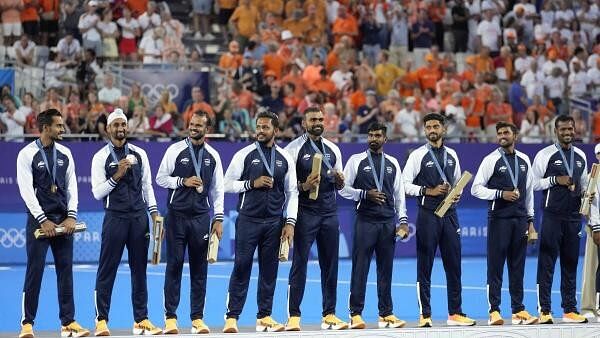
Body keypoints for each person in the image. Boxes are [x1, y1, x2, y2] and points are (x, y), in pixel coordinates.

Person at [222, 109, 297, 333]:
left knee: (269, 271)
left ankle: (264, 317)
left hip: (274, 222)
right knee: (242, 266)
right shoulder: (244, 154)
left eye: (265, 127)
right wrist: (250, 184)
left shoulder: (285, 158)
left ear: (276, 130)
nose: (260, 131)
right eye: (258, 127)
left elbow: (292, 192)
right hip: (248, 220)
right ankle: (231, 317)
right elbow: (226, 184)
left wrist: (290, 222)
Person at [16, 109, 90, 338]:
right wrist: (42, 219)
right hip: (40, 222)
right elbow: (26, 191)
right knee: (35, 270)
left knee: (65, 271)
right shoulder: (26, 154)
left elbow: (73, 187)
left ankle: (68, 324)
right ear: (45, 127)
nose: (63, 129)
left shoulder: (66, 153)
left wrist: (72, 215)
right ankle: (27, 324)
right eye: (58, 126)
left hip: (63, 221)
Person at [91, 108, 162, 336]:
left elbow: (147, 186)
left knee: (139, 270)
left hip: (139, 218)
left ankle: (141, 320)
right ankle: (101, 320)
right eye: (116, 125)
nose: (120, 128)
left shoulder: (140, 154)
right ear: (109, 129)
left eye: (123, 124)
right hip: (115, 218)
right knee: (107, 269)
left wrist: (153, 213)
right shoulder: (101, 157)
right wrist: (116, 176)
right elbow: (97, 193)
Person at [402, 113, 476, 327]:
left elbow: (456, 182)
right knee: (424, 266)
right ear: (424, 130)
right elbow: (404, 185)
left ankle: (455, 313)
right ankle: (425, 315)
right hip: (428, 216)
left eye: (436, 126)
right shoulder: (417, 155)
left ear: (444, 129)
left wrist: (457, 192)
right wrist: (428, 190)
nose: (432, 130)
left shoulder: (452, 154)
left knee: (454, 266)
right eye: (428, 127)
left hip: (450, 215)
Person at [155, 110, 224, 334]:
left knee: (199, 269)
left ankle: (197, 319)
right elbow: (160, 178)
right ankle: (171, 318)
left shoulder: (213, 155)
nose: (194, 127)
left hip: (201, 218)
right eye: (192, 124)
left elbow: (217, 190)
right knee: (173, 265)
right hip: (176, 216)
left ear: (207, 129)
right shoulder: (175, 150)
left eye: (199, 125)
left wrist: (219, 218)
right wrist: (182, 181)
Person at [283, 107, 348, 331]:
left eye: (321, 119)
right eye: (313, 119)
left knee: (330, 265)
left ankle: (329, 314)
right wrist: (304, 186)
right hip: (305, 212)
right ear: (304, 122)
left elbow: (340, 183)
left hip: (329, 212)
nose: (318, 122)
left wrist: (340, 182)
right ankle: (293, 316)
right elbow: (287, 187)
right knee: (299, 263)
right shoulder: (293, 149)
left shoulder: (333, 149)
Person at [339, 122, 409, 329]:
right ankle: (356, 314)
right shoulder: (356, 160)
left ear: (385, 139)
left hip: (388, 222)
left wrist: (403, 221)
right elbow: (342, 189)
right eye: (370, 135)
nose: (373, 138)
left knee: (385, 270)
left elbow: (399, 195)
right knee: (360, 268)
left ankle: (386, 314)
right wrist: (363, 194)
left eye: (377, 135)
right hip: (365, 220)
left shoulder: (393, 163)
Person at [471, 121, 539, 326]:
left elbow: (528, 194)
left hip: (519, 221)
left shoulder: (525, 160)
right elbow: (476, 188)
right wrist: (500, 194)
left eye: (506, 132)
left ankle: (518, 310)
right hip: (499, 219)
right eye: (499, 133)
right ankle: (494, 310)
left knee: (518, 267)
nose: (502, 136)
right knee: (496, 267)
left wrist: (531, 221)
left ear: (515, 135)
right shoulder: (491, 160)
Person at [532, 115, 589, 324]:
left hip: (574, 218)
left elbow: (583, 185)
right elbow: (533, 183)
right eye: (563, 129)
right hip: (552, 216)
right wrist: (556, 180)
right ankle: (544, 309)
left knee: (570, 263)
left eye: (570, 129)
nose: (567, 133)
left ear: (575, 130)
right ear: (555, 131)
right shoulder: (545, 155)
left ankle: (569, 309)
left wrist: (586, 198)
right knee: (547, 263)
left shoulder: (581, 155)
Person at [581, 144, 600, 320]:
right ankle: (589, 306)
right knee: (592, 267)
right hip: (596, 228)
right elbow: (589, 206)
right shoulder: (592, 176)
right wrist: (596, 227)